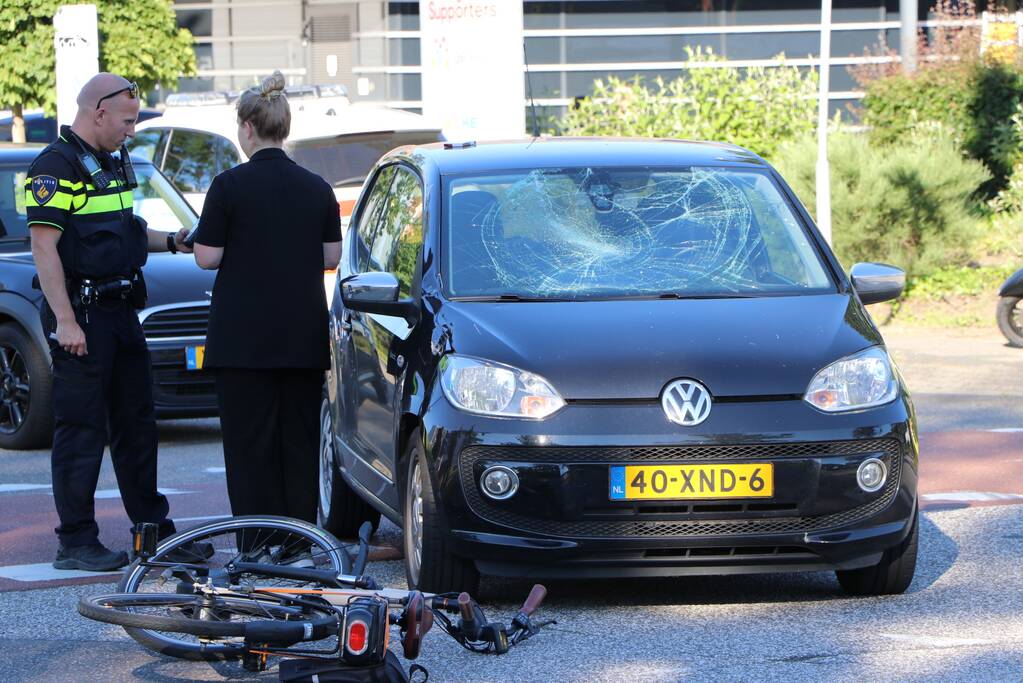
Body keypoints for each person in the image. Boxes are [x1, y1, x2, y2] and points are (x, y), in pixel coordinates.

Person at [27, 73, 193, 571]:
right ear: (98, 112)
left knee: (137, 426)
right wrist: (65, 321)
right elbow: (44, 246)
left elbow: (124, 234)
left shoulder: (112, 161)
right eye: (126, 121)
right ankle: (75, 542)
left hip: (121, 313)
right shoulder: (55, 167)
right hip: (81, 317)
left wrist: (174, 241)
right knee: (81, 430)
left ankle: (152, 533)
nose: (131, 130)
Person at [192, 71, 341, 537]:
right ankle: (298, 542)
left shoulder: (229, 186)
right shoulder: (316, 187)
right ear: (285, 127)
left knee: (248, 447)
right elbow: (331, 257)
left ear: (248, 128)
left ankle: (256, 544)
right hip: (301, 336)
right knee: (298, 443)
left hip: (242, 343)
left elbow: (206, 256)